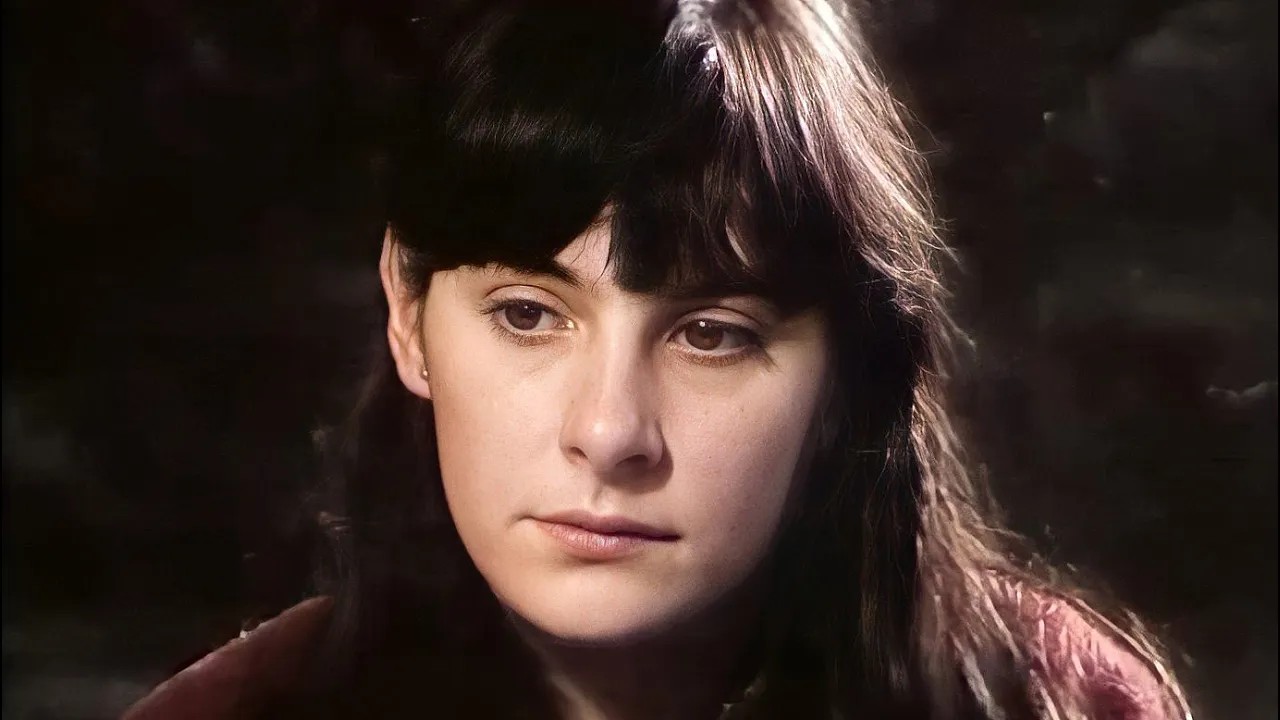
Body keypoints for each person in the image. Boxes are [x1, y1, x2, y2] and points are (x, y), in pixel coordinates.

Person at [125, 1, 1193, 718]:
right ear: (409, 314)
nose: (609, 433)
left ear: (845, 369)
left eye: (710, 334)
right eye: (527, 315)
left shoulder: (1064, 707)